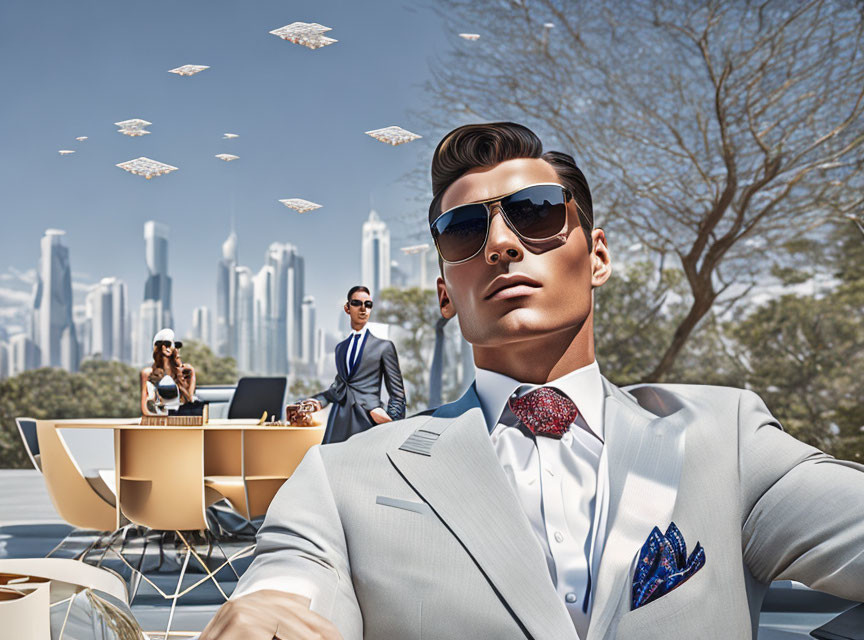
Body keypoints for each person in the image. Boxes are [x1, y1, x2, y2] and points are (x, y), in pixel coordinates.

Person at [200, 123, 864, 640]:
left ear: (597, 255)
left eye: (537, 211)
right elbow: (291, 581)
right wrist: (267, 607)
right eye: (463, 230)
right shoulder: (342, 479)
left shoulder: (729, 439)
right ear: (444, 295)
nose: (501, 243)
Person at [303, 286, 406, 444]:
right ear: (347, 308)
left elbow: (397, 393)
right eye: (357, 303)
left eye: (368, 304)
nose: (363, 309)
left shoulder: (384, 347)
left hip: (368, 422)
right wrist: (317, 402)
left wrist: (391, 420)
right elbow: (339, 388)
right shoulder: (340, 348)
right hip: (337, 424)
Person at [139, 328, 198, 416]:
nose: (175, 349)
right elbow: (145, 408)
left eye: (176, 345)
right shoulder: (148, 373)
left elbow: (189, 401)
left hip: (181, 419)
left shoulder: (187, 371)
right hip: (158, 420)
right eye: (168, 344)